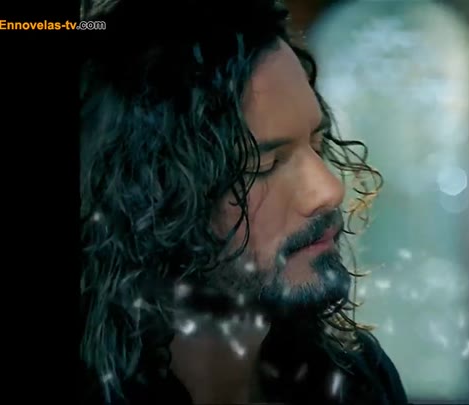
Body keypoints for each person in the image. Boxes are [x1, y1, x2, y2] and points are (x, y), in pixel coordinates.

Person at [79, 0, 407, 404]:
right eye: (264, 165)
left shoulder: (357, 381)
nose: (328, 190)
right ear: (152, 196)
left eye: (318, 143)